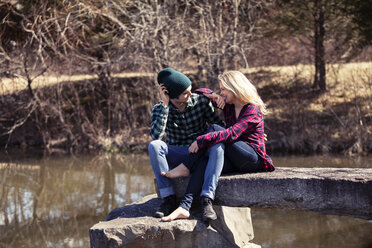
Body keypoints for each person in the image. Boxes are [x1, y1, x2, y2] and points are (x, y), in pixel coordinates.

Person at [161, 70, 275, 221]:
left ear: (235, 87)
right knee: (205, 161)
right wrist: (214, 95)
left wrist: (201, 140)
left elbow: (231, 134)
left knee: (215, 128)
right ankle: (187, 206)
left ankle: (186, 166)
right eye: (220, 89)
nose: (221, 93)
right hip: (235, 157)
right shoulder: (229, 104)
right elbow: (198, 92)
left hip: (252, 159)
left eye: (223, 89)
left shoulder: (251, 110)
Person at [148, 68, 225, 222]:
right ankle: (169, 198)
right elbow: (156, 136)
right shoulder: (159, 109)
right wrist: (165, 106)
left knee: (218, 145)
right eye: (185, 93)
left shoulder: (201, 102)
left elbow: (219, 127)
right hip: (179, 154)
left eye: (190, 90)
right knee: (155, 146)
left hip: (201, 152)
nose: (191, 95)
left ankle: (207, 199)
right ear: (170, 95)